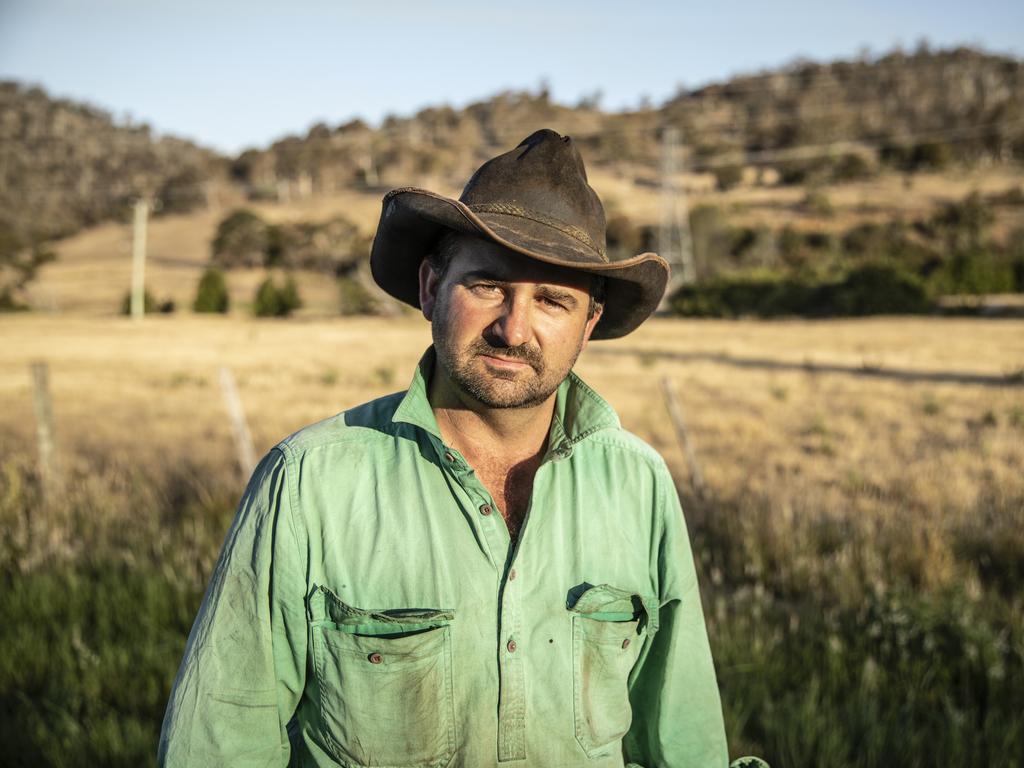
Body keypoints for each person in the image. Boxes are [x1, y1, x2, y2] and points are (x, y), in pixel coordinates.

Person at [159, 129, 730, 767]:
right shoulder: (309, 482)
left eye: (552, 300)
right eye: (487, 285)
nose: (514, 329)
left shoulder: (637, 484)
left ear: (588, 323)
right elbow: (219, 743)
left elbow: (683, 742)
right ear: (432, 288)